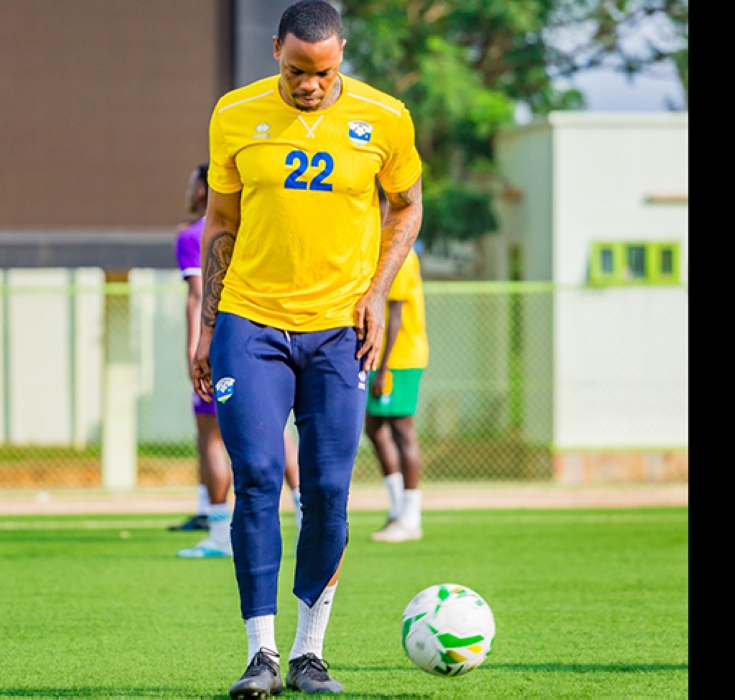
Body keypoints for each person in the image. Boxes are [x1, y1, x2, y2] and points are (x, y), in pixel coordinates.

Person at [190, 2, 423, 696]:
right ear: (274, 53)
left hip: (336, 333)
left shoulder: (386, 118)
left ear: (341, 55)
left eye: (322, 72)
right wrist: (206, 326)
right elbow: (220, 221)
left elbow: (405, 204)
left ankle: (308, 654)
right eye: (295, 70)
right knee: (258, 478)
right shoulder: (234, 113)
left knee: (325, 491)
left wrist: (376, 291)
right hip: (249, 323)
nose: (308, 85)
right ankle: (260, 655)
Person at [173, 164, 304, 558]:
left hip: (225, 338)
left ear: (203, 190)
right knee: (277, 430)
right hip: (268, 338)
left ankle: (218, 532)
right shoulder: (257, 225)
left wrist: (197, 346)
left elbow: (199, 295)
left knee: (212, 434)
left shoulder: (195, 235)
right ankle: (305, 515)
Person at [364, 180, 429, 543]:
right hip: (380, 354)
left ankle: (411, 516)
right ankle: (397, 508)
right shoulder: (374, 245)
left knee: (402, 429)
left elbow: (397, 313)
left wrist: (384, 366)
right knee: (375, 428)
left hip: (398, 356)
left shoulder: (396, 245)